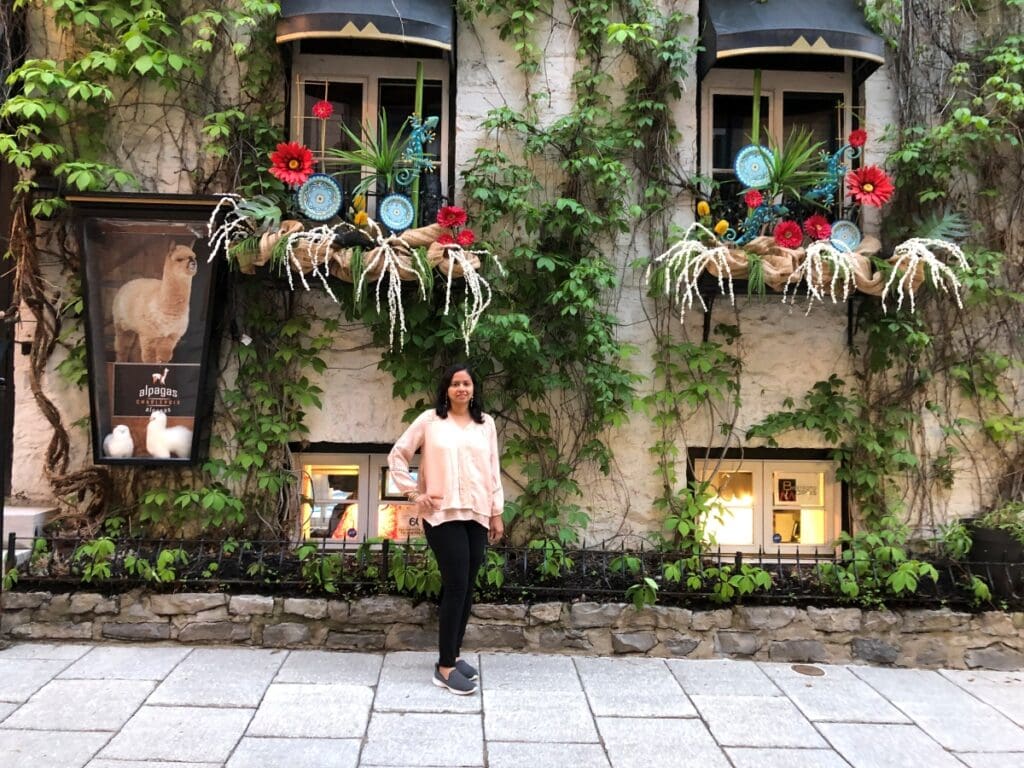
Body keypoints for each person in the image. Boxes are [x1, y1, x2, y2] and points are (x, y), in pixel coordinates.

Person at [388, 363, 504, 695]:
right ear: (446, 389)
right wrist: (414, 494)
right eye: (455, 384)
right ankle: (444, 667)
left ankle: (454, 653)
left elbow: (493, 469)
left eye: (466, 383)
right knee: (455, 585)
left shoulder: (486, 424)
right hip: (441, 514)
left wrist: (496, 512)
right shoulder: (429, 421)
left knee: (467, 587)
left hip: (477, 513)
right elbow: (398, 455)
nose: (461, 389)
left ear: (474, 388)